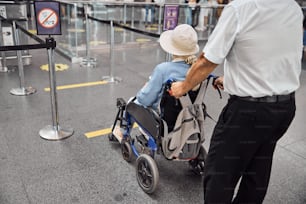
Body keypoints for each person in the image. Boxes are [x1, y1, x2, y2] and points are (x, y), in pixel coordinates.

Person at [170, 0, 303, 203]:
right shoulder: (292, 7)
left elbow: (207, 61)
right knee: (258, 170)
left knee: (220, 175)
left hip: (249, 113)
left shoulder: (240, 8)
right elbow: (271, 52)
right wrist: (232, 79)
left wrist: (183, 87)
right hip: (284, 108)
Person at [135, 24, 199, 130]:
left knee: (132, 103)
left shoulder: (163, 69)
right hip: (188, 120)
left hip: (161, 122)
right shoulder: (197, 70)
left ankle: (122, 132)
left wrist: (144, 89)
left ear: (172, 49)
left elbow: (145, 100)